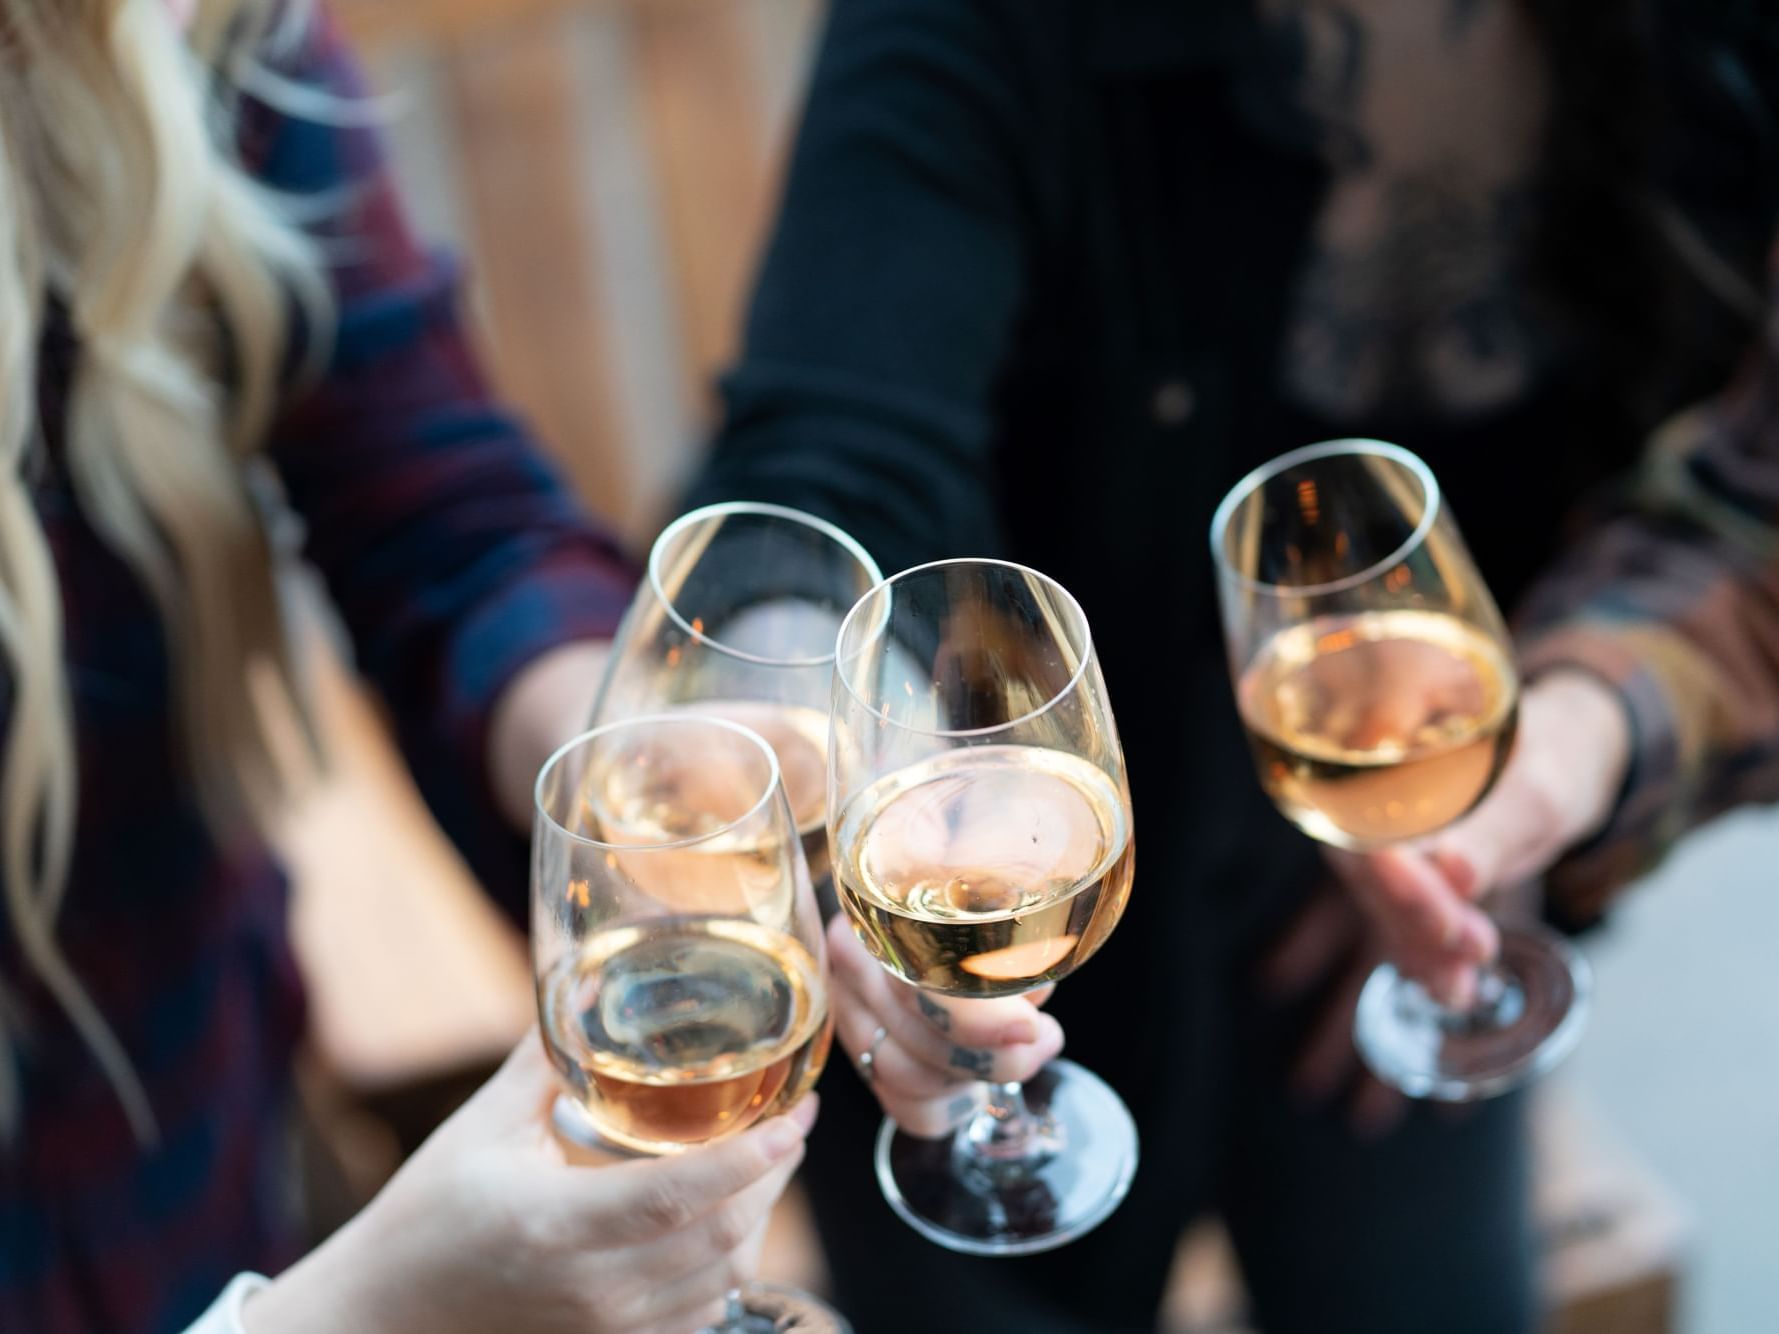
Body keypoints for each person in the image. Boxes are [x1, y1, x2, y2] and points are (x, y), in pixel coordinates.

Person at [687, 1, 1779, 1330]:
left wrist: (1558, 750)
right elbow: (829, 465)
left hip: (1402, 879)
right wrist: (820, 749)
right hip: (1003, 856)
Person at [0, 3, 814, 1331]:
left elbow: (445, 524)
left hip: (198, 1144)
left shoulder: (198, 38)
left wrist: (627, 766)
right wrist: (372, 1307)